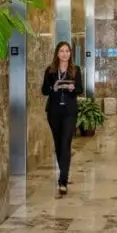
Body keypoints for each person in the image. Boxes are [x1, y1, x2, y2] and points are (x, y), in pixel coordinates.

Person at [42, 41, 83, 196]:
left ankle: (63, 181)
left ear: (70, 53)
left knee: (66, 143)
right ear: (57, 54)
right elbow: (44, 90)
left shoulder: (76, 70)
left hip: (69, 112)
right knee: (59, 144)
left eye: (67, 51)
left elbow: (80, 88)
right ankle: (64, 172)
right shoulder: (50, 71)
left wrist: (73, 89)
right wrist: (53, 88)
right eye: (62, 51)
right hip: (54, 112)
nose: (65, 54)